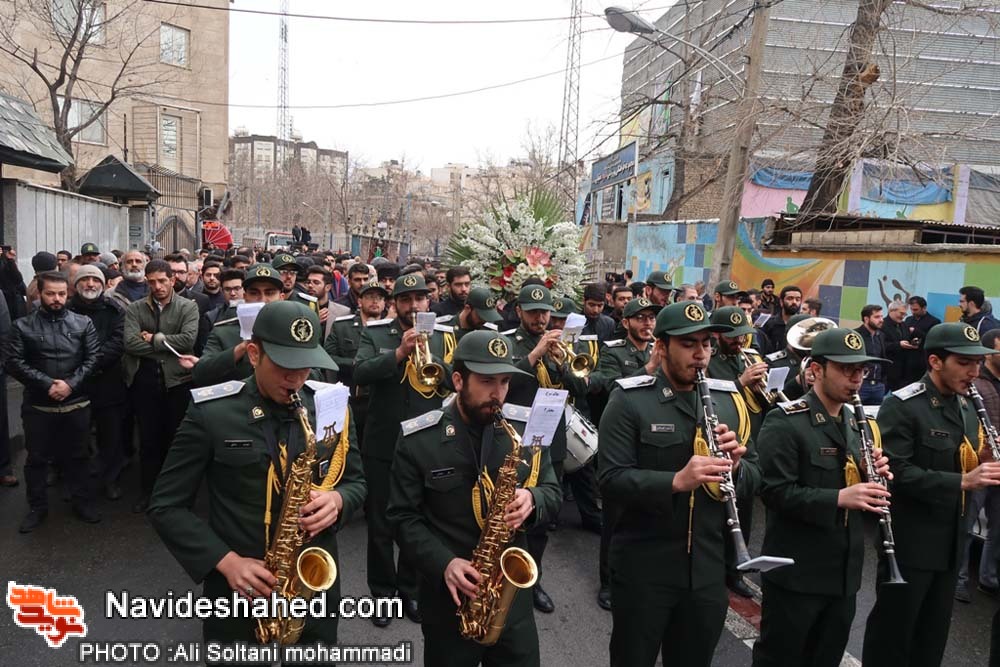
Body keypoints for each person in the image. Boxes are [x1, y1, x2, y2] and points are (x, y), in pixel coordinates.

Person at [148, 300, 365, 658]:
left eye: (304, 366)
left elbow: (356, 481)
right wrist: (226, 561)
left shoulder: (330, 404)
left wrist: (339, 500)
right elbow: (166, 506)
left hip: (312, 583)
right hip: (238, 586)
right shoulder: (212, 412)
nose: (296, 379)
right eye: (283, 366)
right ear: (253, 354)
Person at [386, 330, 562, 666]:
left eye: (505, 381)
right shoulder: (418, 439)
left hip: (512, 605)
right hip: (449, 600)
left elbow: (553, 490)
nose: (498, 394)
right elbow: (401, 518)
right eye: (486, 381)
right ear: (458, 381)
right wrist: (444, 563)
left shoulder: (523, 429)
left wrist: (533, 498)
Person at [598, 301, 759, 666]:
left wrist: (735, 469)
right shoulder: (630, 400)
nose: (700, 353)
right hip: (644, 567)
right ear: (661, 347)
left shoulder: (729, 401)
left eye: (706, 343)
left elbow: (756, 474)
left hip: (707, 569)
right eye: (688, 344)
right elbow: (610, 479)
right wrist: (675, 481)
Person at [752, 328, 892, 667]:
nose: (856, 378)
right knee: (780, 659)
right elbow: (773, 492)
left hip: (843, 574)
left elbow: (857, 489)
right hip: (797, 573)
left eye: (861, 370)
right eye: (846, 369)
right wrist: (839, 498)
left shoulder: (856, 423)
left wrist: (871, 475)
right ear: (816, 370)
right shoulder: (786, 421)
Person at [863, 322, 1000, 666]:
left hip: (951, 542)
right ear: (935, 362)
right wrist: (962, 481)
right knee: (893, 637)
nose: (974, 371)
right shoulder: (904, 404)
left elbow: (961, 457)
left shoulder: (967, 405)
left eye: (977, 363)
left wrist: (983, 460)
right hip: (911, 543)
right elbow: (896, 472)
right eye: (964, 363)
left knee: (932, 638)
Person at [354, 272, 456, 627]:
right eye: (406, 299)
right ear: (394, 303)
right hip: (383, 444)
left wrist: (433, 358)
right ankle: (382, 593)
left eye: (420, 299)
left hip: (426, 444)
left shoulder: (445, 335)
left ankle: (410, 589)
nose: (414, 305)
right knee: (381, 525)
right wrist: (399, 353)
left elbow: (455, 381)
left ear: (429, 301)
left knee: (419, 521)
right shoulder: (376, 333)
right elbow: (360, 373)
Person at [506, 284, 589, 614]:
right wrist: (534, 354)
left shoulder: (560, 345)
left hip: (551, 440)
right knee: (510, 512)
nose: (540, 318)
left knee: (541, 516)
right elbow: (504, 383)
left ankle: (533, 579)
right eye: (533, 312)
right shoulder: (508, 342)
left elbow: (581, 387)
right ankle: (503, 573)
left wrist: (565, 363)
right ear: (519, 312)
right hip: (517, 439)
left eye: (544, 313)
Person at [7, 271, 100, 532]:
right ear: (40, 293)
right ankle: (37, 507)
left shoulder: (83, 323)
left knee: (79, 456)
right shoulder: (22, 326)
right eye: (50, 294)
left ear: (68, 294)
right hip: (39, 406)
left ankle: (82, 502)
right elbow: (14, 362)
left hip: (77, 403)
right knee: (36, 459)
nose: (57, 299)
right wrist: (47, 384)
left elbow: (93, 358)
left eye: (61, 294)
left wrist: (70, 384)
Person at [588, 296, 662, 611]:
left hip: (651, 439)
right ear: (626, 322)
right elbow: (608, 388)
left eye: (651, 318)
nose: (647, 324)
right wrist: (650, 367)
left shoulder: (659, 348)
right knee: (616, 518)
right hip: (620, 440)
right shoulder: (614, 351)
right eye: (641, 318)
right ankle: (608, 581)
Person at [123, 259, 200, 514]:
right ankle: (148, 491)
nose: (157, 287)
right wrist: (166, 348)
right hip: (144, 383)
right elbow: (130, 344)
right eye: (152, 282)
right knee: (149, 441)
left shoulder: (188, 306)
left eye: (162, 281)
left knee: (176, 441)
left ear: (173, 280)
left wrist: (154, 338)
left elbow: (188, 341)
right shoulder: (135, 308)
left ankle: (176, 495)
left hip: (177, 383)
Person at [707, 306, 768, 599]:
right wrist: (741, 382)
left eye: (743, 335)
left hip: (748, 440)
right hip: (720, 440)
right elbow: (708, 396)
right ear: (717, 335)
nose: (739, 341)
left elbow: (769, 402)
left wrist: (761, 388)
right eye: (732, 337)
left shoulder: (751, 356)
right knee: (719, 513)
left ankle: (736, 570)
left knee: (744, 509)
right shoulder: (709, 361)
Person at [67, 264, 128, 501]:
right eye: (85, 279)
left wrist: (90, 362)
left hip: (108, 383)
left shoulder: (114, 310)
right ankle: (77, 483)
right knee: (75, 437)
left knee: (110, 436)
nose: (90, 284)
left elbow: (118, 341)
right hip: (75, 384)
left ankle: (109, 479)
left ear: (103, 285)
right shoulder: (67, 309)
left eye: (96, 280)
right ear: (76, 284)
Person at [188, 264, 285, 387]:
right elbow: (200, 373)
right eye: (254, 293)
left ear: (281, 298)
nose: (262, 299)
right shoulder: (223, 332)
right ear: (245, 297)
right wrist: (241, 348)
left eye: (270, 293)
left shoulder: (291, 329)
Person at [956, 329, 1000, 603]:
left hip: (998, 465)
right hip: (980, 464)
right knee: (967, 525)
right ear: (989, 354)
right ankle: (958, 580)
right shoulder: (975, 384)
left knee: (998, 527)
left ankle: (989, 579)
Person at [324, 278, 389, 445]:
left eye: (379, 298)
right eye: (370, 297)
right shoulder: (342, 327)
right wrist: (354, 364)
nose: (375, 301)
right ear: (360, 301)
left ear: (385, 303)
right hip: (351, 398)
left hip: (381, 400)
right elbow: (328, 357)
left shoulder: (390, 330)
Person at [899, 296, 941, 386]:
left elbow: (933, 339)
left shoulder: (934, 321)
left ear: (924, 308)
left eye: (916, 310)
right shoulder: (908, 319)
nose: (913, 312)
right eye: (911, 309)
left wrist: (915, 331)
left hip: (922, 361)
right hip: (907, 360)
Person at [855, 304, 889, 405]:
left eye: (882, 316)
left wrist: (883, 382)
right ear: (866, 319)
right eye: (877, 317)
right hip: (861, 385)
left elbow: (882, 358)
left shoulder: (881, 335)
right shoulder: (856, 335)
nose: (881, 320)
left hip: (878, 385)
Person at [761, 286, 803, 355]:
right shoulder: (769, 324)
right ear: (781, 302)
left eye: (797, 299)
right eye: (790, 298)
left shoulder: (803, 325)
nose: (794, 302)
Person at [883, 300, 909, 391]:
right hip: (887, 370)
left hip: (902, 371)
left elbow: (906, 339)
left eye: (905, 314)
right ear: (891, 311)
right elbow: (881, 345)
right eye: (901, 313)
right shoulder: (882, 325)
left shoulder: (904, 325)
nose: (903, 316)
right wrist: (898, 345)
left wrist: (912, 342)